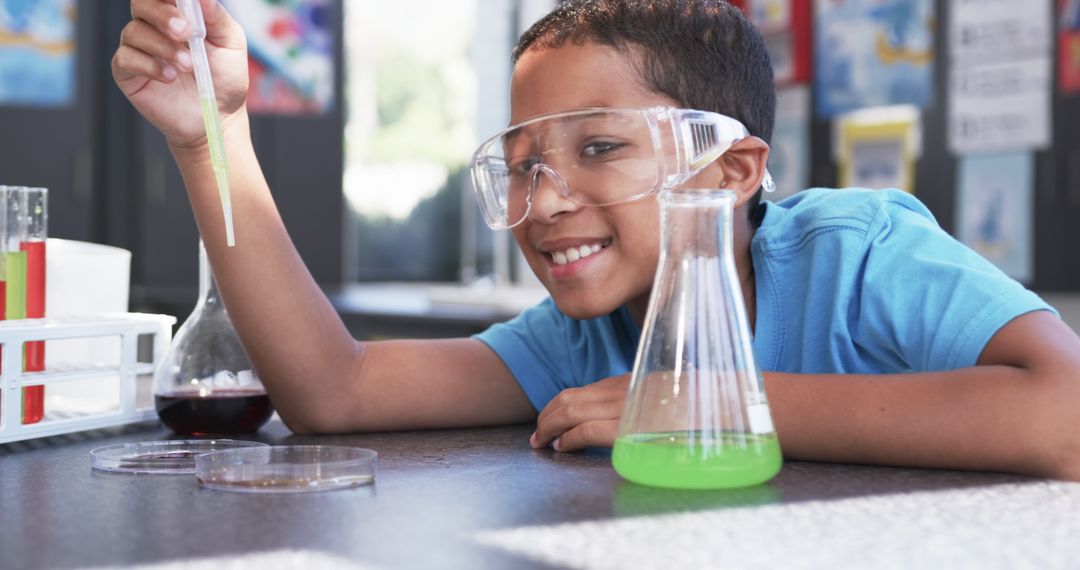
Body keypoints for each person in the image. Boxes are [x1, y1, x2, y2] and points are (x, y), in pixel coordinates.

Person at [112, 0, 1080, 480]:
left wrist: (699, 408)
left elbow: (1066, 417)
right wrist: (213, 135)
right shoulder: (589, 333)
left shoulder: (856, 252)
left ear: (731, 170)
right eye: (525, 164)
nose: (543, 198)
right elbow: (334, 394)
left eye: (602, 147)